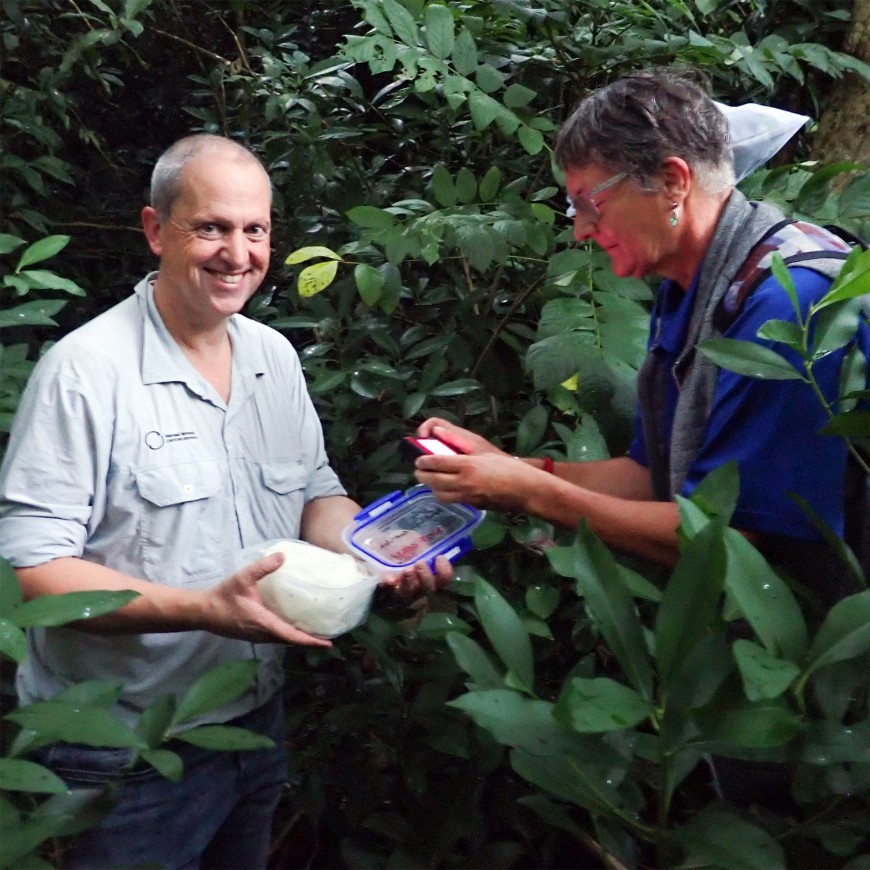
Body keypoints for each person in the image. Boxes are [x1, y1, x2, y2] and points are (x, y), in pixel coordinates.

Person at [0, 134, 451, 869]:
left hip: (251, 726)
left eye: (255, 230)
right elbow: (35, 575)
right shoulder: (85, 372)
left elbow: (315, 496)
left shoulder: (273, 356)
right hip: (121, 751)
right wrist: (203, 608)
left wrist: (377, 559)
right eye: (210, 227)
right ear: (155, 230)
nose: (236, 253)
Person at [413, 68, 869, 608]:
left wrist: (532, 494)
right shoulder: (694, 284)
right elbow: (651, 476)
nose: (580, 229)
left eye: (589, 203)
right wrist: (513, 470)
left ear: (674, 182)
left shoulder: (785, 307)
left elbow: (737, 544)